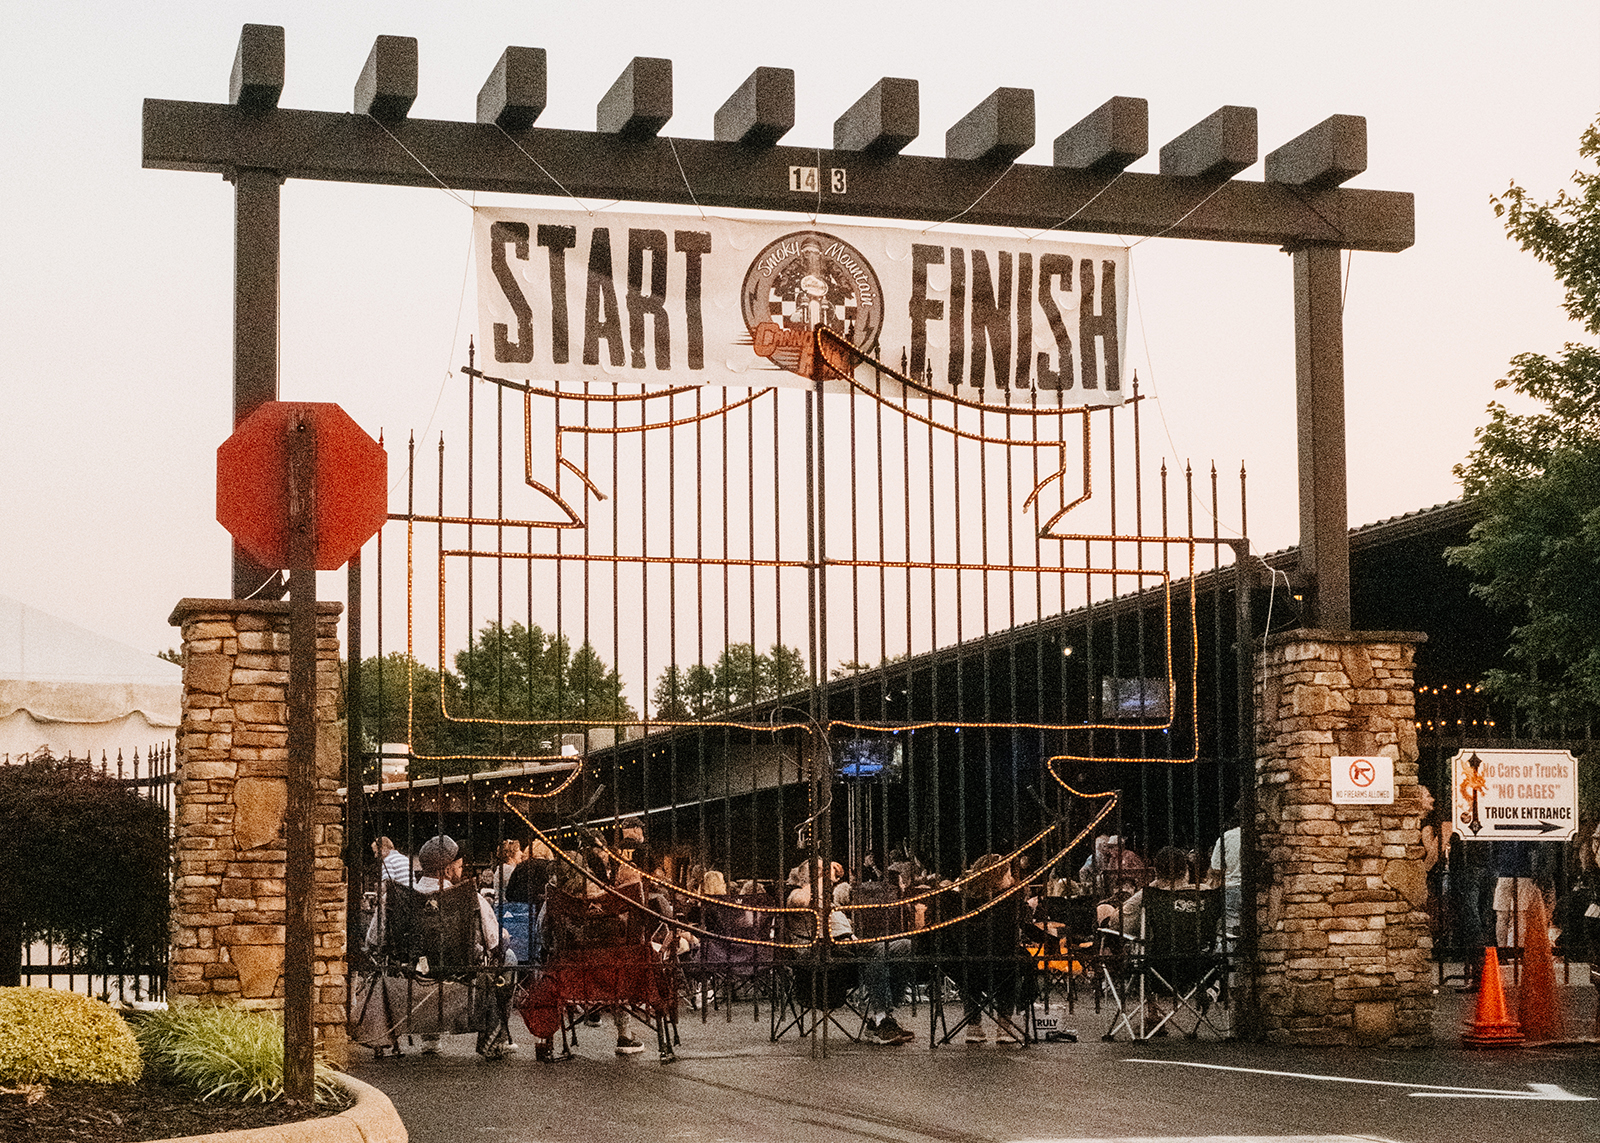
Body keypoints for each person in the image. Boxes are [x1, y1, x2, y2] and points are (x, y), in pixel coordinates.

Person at [411, 834, 512, 1059]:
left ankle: (429, 1038)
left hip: (414, 971)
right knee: (511, 957)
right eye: (459, 866)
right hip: (461, 971)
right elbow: (493, 942)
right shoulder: (471, 898)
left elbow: (373, 940)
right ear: (447, 870)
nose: (462, 870)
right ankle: (495, 1038)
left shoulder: (401, 898)